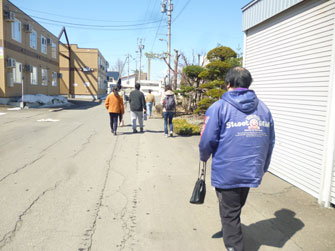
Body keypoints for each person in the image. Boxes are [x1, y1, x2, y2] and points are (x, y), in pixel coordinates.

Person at [199, 66, 275, 251]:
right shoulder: (263, 109)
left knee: (229, 214)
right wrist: (262, 167)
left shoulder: (218, 107)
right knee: (235, 208)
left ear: (228, 84)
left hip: (228, 172)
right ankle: (233, 231)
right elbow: (270, 141)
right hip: (250, 170)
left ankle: (234, 246)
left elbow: (207, 139)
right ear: (248, 84)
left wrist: (204, 156)